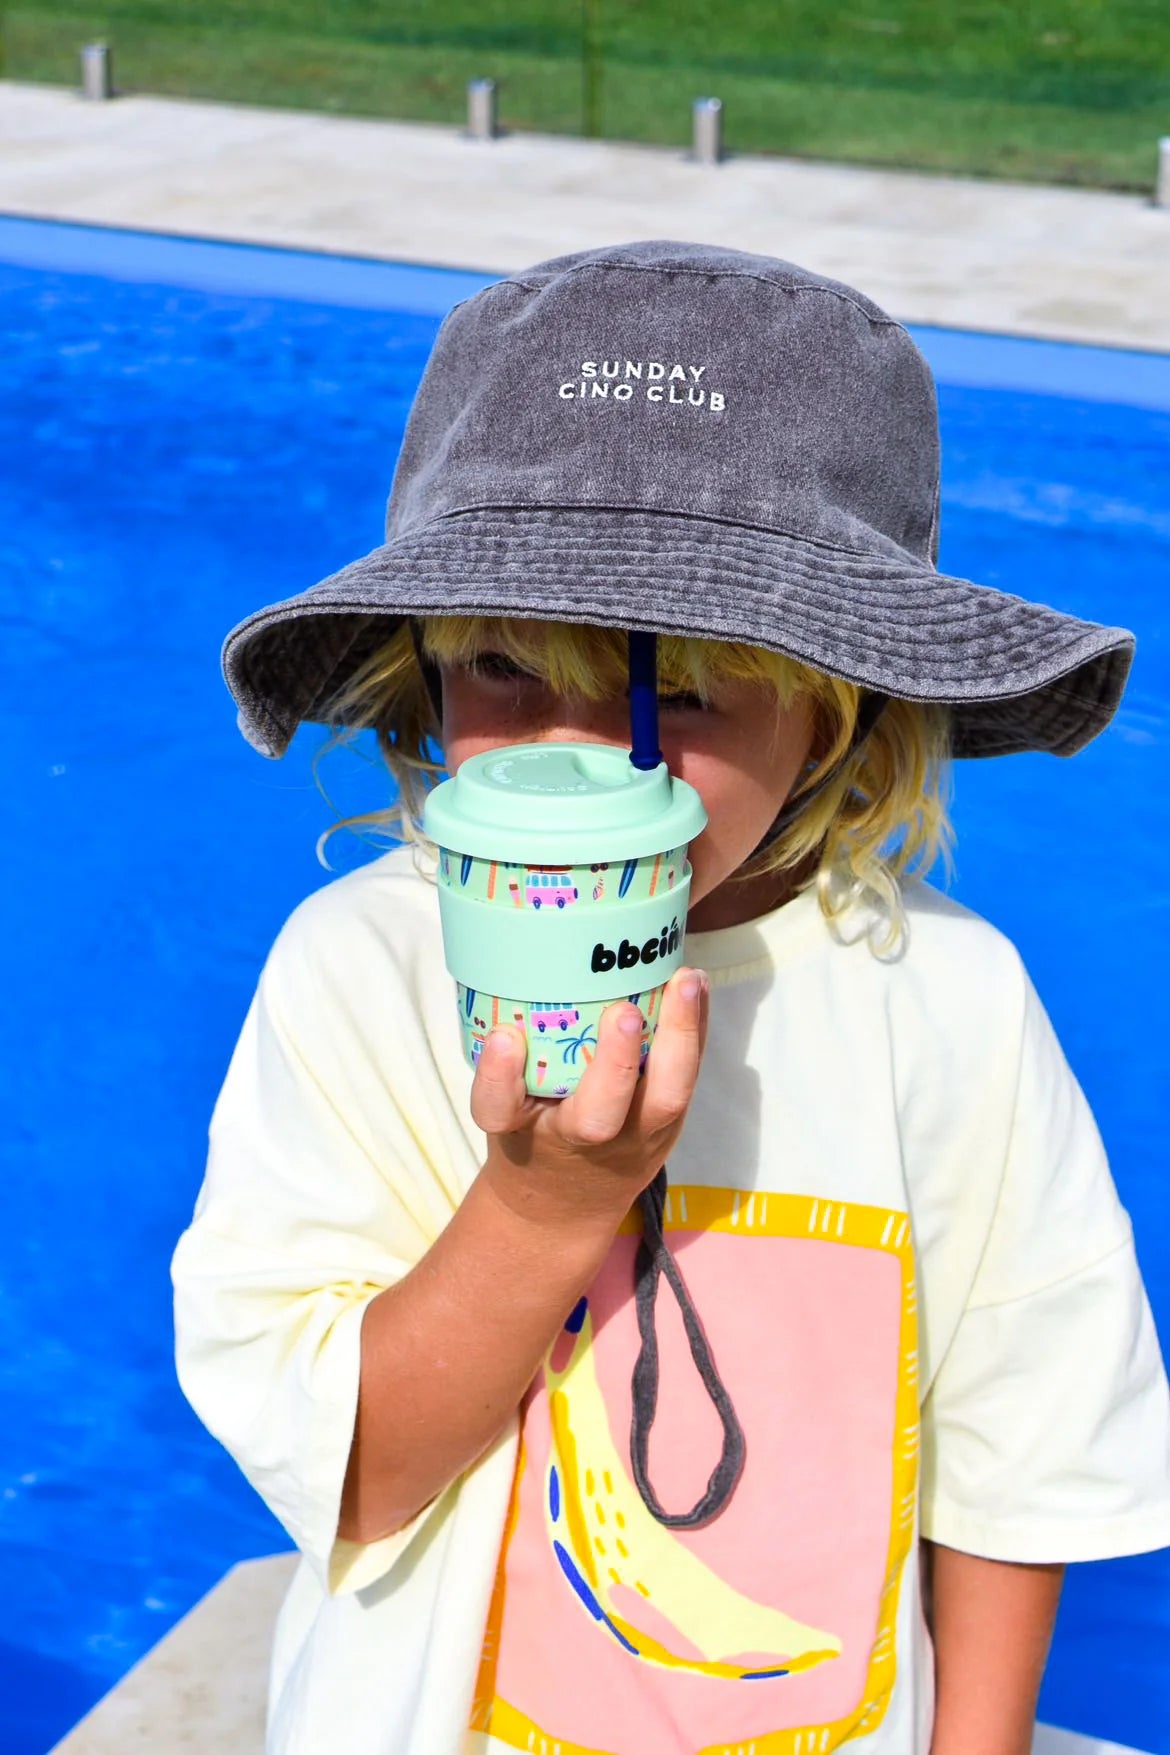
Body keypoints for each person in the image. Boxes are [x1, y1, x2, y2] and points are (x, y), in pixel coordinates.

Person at [171, 240, 1170, 1755]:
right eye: (503, 667)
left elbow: (1022, 1452)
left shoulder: (948, 1000)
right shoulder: (363, 969)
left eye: (682, 691)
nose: (579, 759)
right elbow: (351, 1475)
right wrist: (541, 1208)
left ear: (840, 710)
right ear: (420, 681)